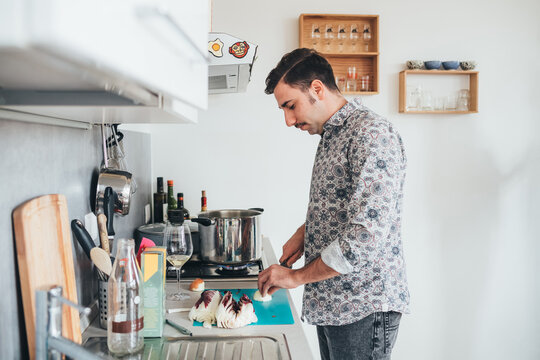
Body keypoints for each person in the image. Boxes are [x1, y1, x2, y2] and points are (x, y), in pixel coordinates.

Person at [258, 48, 410, 360]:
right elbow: (342, 206)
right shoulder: (333, 135)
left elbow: (364, 236)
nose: (288, 120)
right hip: (335, 301)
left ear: (316, 89)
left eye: (290, 106)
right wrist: (305, 232)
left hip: (362, 305)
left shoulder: (370, 133)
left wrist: (295, 277)